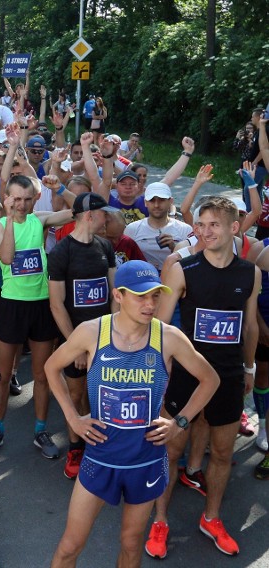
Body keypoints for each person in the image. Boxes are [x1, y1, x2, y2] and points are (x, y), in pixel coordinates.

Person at [46, 260, 219, 568]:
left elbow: (210, 379)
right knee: (70, 546)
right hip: (100, 457)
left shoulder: (168, 337)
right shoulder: (91, 332)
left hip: (146, 461)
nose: (150, 304)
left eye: (155, 296)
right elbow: (51, 367)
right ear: (119, 295)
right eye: (141, 296)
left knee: (130, 544)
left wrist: (180, 423)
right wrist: (73, 419)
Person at [146, 196, 260, 558]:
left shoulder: (250, 273)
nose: (205, 231)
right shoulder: (183, 269)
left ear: (234, 228)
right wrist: (156, 377)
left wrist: (249, 367)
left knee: (223, 452)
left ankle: (211, 517)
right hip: (185, 374)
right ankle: (160, 520)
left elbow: (250, 326)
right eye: (200, 225)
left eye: (214, 224)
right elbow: (160, 329)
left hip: (227, 375)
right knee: (171, 447)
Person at [0, 173, 73, 459]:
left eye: (27, 199)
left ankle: (40, 430)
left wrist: (59, 186)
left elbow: (79, 209)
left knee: (42, 375)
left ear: (34, 199)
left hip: (41, 304)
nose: (22, 205)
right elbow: (8, 257)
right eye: (16, 199)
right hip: (12, 303)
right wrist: (10, 218)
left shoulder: (41, 220)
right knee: (1, 375)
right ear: (7, 199)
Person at [47, 193, 117, 478]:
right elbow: (56, 304)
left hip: (105, 338)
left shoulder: (105, 246)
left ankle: (99, 445)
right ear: (89, 215)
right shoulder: (61, 252)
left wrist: (110, 337)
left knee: (101, 394)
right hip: (74, 339)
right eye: (104, 214)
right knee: (76, 395)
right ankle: (76, 446)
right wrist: (76, 347)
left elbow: (115, 295)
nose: (108, 219)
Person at [123, 183, 193, 271]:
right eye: (152, 200)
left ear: (171, 202)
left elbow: (192, 263)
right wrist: (142, 265)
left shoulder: (185, 229)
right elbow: (124, 260)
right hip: (142, 278)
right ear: (145, 202)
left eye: (161, 200)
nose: (156, 205)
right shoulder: (132, 229)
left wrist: (174, 247)